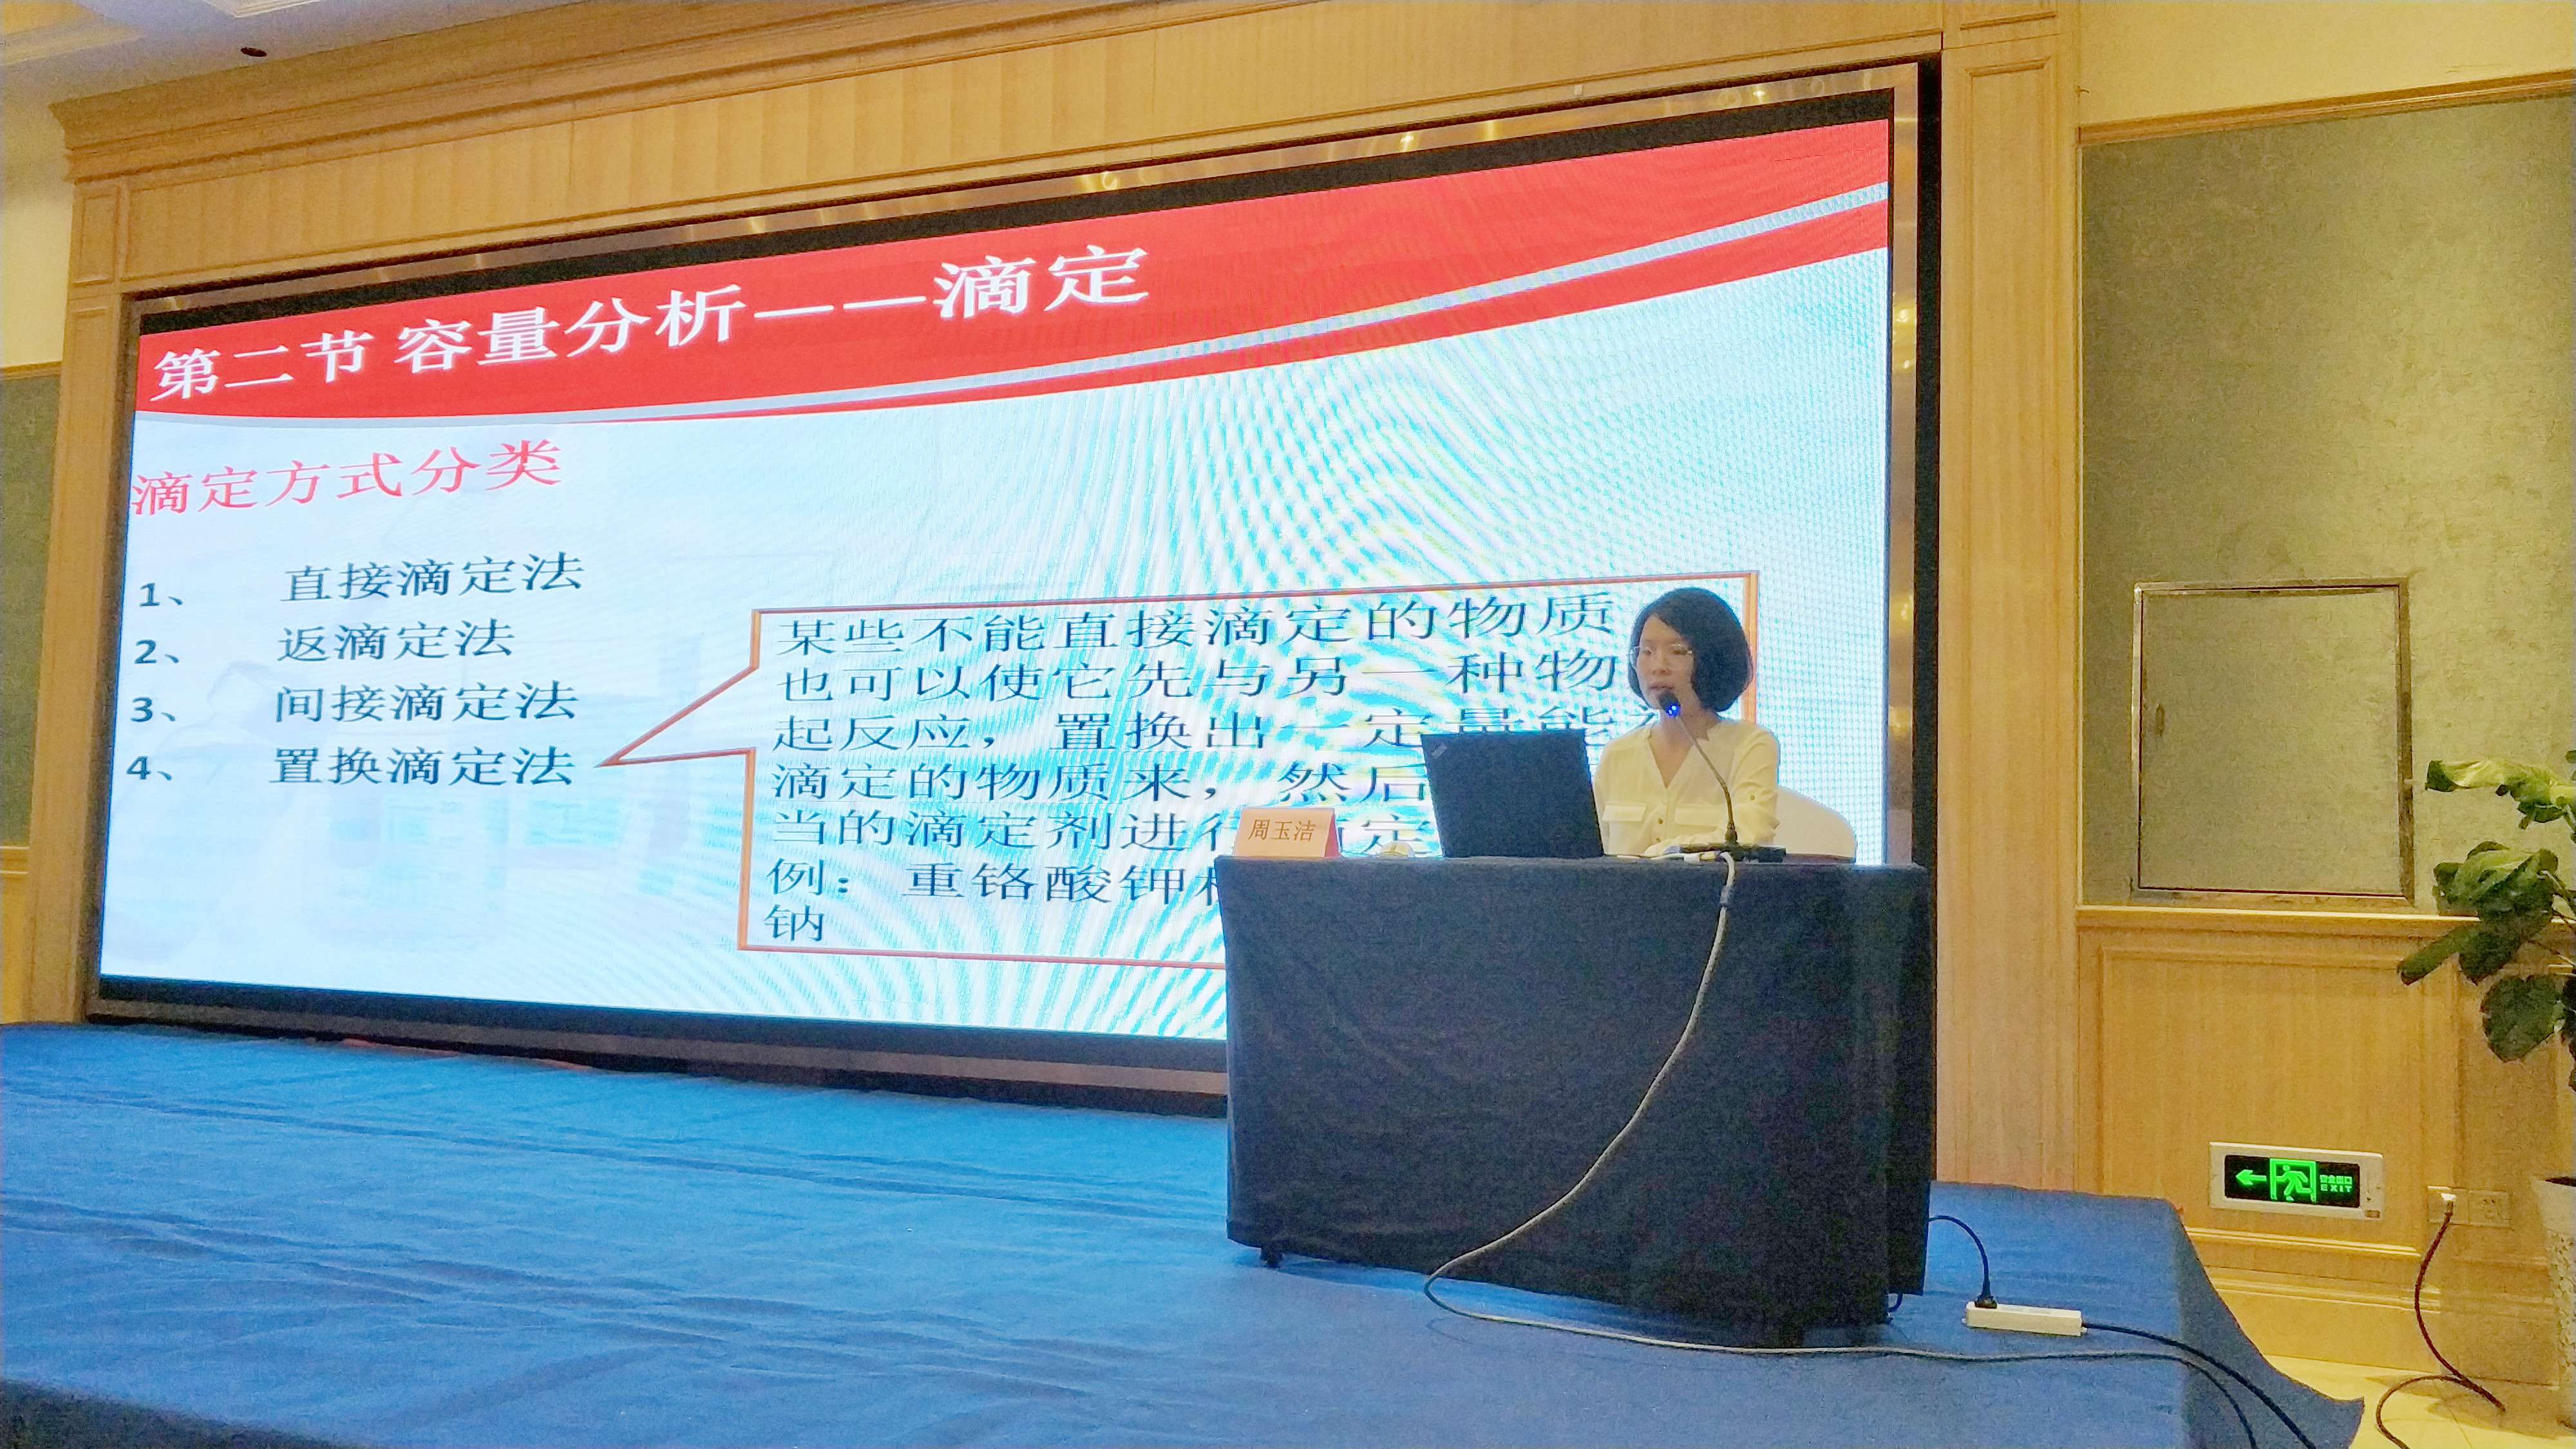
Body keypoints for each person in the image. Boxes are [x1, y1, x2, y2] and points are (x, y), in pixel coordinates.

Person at [1592, 587, 1779, 856]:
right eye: (1647, 652)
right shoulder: (1618, 754)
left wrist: (1658, 856)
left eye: (1678, 652)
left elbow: (1750, 836)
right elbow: (1591, 853)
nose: (1658, 666)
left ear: (1714, 660)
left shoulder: (1749, 745)